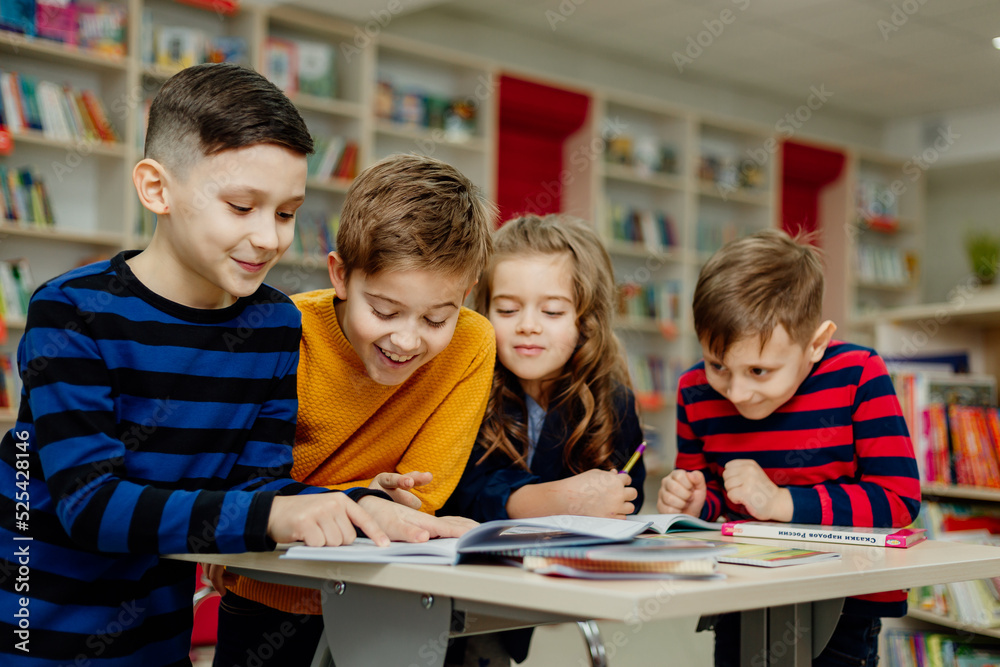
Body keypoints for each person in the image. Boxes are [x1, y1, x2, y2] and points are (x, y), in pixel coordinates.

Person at [0, 64, 469, 666]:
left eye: (285, 212)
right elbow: (91, 506)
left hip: (157, 639)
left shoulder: (273, 325)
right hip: (37, 637)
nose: (270, 238)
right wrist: (278, 513)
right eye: (242, 205)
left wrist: (357, 506)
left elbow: (255, 487)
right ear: (156, 189)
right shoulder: (71, 311)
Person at [212, 153, 497, 666]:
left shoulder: (473, 343)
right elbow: (247, 484)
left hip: (386, 590)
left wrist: (369, 502)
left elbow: (421, 497)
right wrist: (363, 497)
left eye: (436, 318)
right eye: (384, 311)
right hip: (267, 591)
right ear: (341, 276)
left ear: (465, 295)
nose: (406, 340)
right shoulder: (284, 330)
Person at [656, 229, 921, 667]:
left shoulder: (859, 376)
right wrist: (696, 501)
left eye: (759, 370)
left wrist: (781, 501)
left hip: (844, 599)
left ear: (815, 344)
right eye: (718, 364)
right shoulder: (695, 391)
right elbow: (714, 506)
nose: (736, 391)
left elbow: (897, 501)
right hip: (742, 590)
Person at [442, 213, 646, 665]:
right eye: (508, 309)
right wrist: (555, 499)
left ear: (586, 320)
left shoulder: (613, 400)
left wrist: (613, 498)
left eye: (552, 311)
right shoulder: (466, 385)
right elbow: (462, 492)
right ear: (482, 311)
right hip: (451, 586)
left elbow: (629, 489)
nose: (528, 326)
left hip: (530, 595)